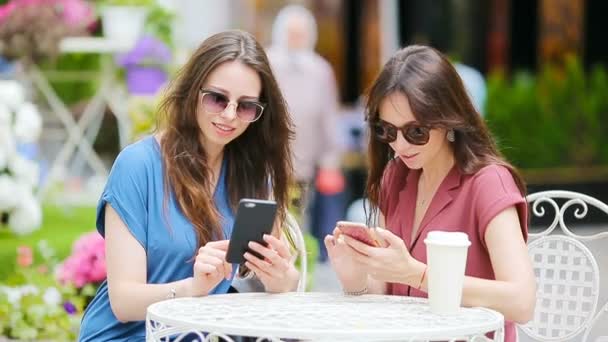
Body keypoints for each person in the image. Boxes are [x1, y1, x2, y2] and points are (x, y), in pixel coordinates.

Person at [78, 30, 300, 342]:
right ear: (193, 91)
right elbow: (123, 302)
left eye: (246, 106)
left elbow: (272, 281)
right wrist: (192, 289)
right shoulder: (138, 166)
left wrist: (282, 277)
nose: (229, 115)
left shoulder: (254, 175)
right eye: (217, 98)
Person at [324, 45, 535, 342]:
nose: (400, 145)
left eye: (416, 132)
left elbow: (522, 301)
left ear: (450, 120)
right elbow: (384, 289)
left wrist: (417, 274)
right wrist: (355, 275)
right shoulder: (395, 177)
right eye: (388, 131)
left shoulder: (489, 183)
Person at [267, 4, 345, 261]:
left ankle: (298, 273)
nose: (295, 39)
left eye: (301, 34)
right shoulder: (268, 63)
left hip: (304, 165)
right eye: (291, 33)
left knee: (299, 225)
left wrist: (330, 162)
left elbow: (328, 118)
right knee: (269, 223)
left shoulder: (320, 70)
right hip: (268, 161)